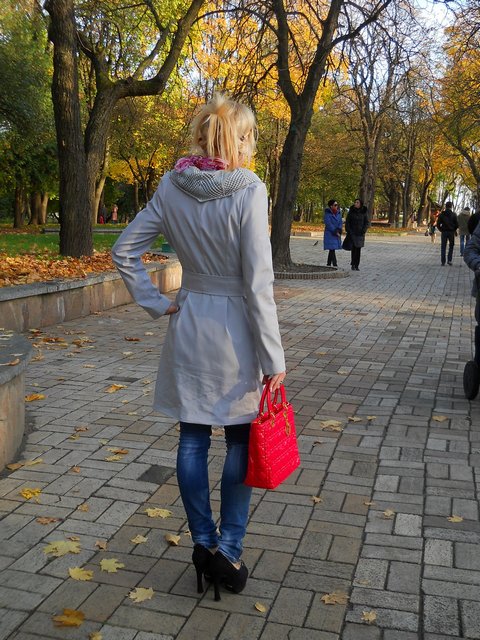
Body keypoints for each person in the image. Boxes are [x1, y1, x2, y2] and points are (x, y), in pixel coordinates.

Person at [111, 93, 286, 601]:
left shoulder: (171, 186)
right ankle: (228, 552)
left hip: (189, 324)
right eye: (250, 137)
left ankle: (203, 543)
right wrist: (274, 358)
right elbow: (258, 285)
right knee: (238, 442)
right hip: (237, 335)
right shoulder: (249, 190)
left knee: (191, 439)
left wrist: (155, 301)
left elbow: (124, 249)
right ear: (240, 139)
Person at [345, 198, 369, 270]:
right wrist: (349, 230)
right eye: (355, 202)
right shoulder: (351, 211)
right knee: (353, 249)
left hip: (360, 234)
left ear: (360, 204)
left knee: (358, 249)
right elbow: (347, 222)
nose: (355, 203)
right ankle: (353, 264)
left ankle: (357, 265)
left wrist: (363, 230)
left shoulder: (364, 212)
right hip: (353, 233)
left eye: (357, 202)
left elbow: (366, 222)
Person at [436, 201, 459, 265]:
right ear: (451, 207)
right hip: (451, 232)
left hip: (444, 232)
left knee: (443, 246)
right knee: (451, 246)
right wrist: (454, 229)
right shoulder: (454, 215)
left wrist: (441, 230)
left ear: (445, 206)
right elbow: (457, 224)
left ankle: (443, 261)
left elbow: (438, 224)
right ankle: (449, 260)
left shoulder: (441, 214)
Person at [323, 199, 342, 267]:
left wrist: (339, 230)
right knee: (332, 248)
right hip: (330, 233)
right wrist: (335, 231)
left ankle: (329, 263)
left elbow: (340, 223)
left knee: (332, 249)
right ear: (331, 206)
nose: (337, 206)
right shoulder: (327, 214)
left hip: (336, 233)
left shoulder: (339, 213)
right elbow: (328, 224)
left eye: (337, 205)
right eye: (335, 205)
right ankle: (334, 263)